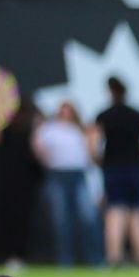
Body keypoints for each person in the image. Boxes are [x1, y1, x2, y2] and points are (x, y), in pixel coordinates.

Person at [93, 76, 139, 268]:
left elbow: (92, 141)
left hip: (113, 167)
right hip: (136, 168)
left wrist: (97, 159)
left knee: (115, 210)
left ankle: (114, 257)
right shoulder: (138, 115)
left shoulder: (104, 115)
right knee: (138, 211)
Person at [33, 102, 101, 268]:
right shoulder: (50, 129)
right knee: (61, 219)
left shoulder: (81, 130)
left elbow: (92, 150)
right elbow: (38, 146)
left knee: (88, 217)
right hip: (58, 175)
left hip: (78, 175)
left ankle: (94, 259)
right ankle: (65, 260)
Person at [0, 101, 41, 272]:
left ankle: (20, 255)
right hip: (8, 188)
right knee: (8, 222)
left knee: (23, 224)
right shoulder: (6, 134)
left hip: (25, 188)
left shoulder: (30, 135)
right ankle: (8, 255)